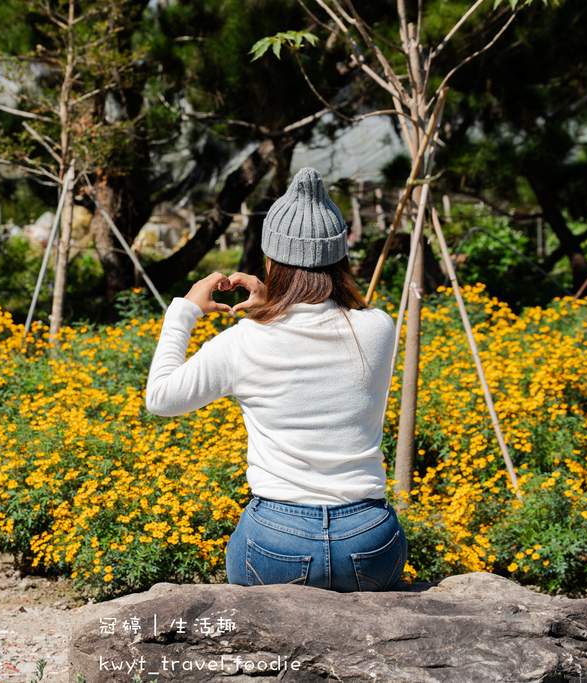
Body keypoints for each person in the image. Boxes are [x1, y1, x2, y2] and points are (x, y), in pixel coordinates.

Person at [145, 167, 406, 592]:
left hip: (277, 539)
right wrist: (276, 302)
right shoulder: (378, 327)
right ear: (341, 258)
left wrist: (184, 311)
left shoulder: (244, 341)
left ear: (271, 261)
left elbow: (161, 398)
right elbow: (316, 331)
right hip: (370, 540)